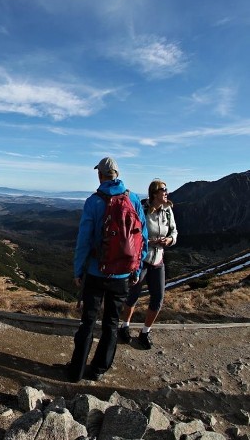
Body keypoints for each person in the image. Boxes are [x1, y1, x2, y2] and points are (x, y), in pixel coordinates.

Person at [68, 157, 148, 383]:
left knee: (88, 322)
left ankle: (76, 371)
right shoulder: (133, 199)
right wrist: (136, 267)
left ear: (100, 175)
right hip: (123, 274)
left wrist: (78, 270)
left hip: (96, 271)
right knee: (112, 323)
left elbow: (83, 240)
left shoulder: (93, 202)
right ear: (117, 174)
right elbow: (143, 239)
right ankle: (99, 369)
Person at [118, 179, 177, 350]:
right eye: (163, 190)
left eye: (166, 189)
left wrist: (170, 240)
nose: (166, 192)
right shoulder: (143, 210)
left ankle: (145, 332)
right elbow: (135, 234)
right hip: (142, 261)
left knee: (158, 298)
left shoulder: (168, 210)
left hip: (158, 261)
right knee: (133, 296)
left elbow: (174, 231)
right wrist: (150, 242)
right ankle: (125, 326)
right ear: (154, 193)